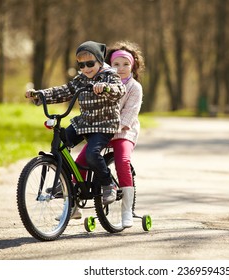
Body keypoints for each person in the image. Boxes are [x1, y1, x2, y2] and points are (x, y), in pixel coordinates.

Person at [25, 40, 126, 219]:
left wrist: (106, 88)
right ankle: (67, 185)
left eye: (90, 63)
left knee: (92, 154)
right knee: (60, 144)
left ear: (100, 61)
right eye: (81, 64)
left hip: (104, 125)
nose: (86, 68)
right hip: (84, 122)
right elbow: (64, 91)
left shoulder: (110, 76)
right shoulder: (80, 79)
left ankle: (108, 183)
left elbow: (120, 90)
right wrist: (40, 94)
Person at [75, 41, 145, 228]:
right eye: (116, 64)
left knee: (123, 161)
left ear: (133, 66)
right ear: (109, 65)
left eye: (126, 64)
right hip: (102, 131)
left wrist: (113, 127)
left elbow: (130, 113)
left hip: (123, 131)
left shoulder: (134, 87)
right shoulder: (101, 80)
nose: (121, 68)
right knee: (81, 161)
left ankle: (126, 210)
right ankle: (74, 202)